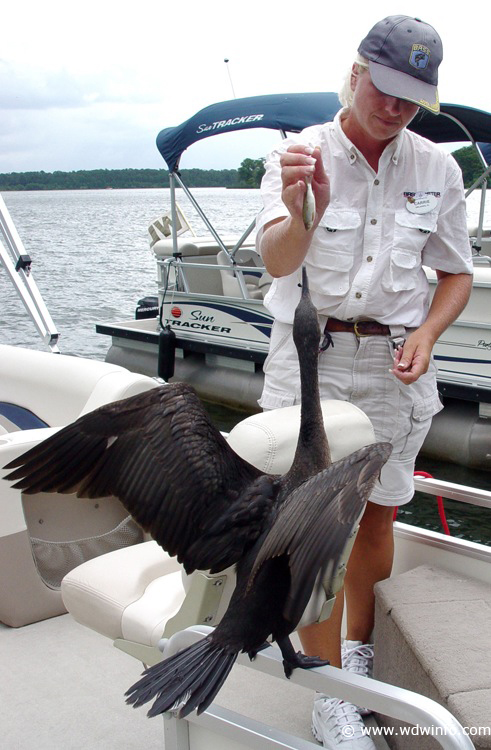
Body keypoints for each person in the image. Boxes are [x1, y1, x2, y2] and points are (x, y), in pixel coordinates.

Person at [256, 15, 473, 750]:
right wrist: (299, 210)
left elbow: (454, 274)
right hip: (311, 357)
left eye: (410, 100)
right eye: (383, 90)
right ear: (354, 75)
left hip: (394, 363)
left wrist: (426, 332)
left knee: (378, 513)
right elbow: (279, 263)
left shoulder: (438, 170)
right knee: (316, 526)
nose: (392, 108)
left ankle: (358, 654)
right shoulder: (299, 155)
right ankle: (324, 689)